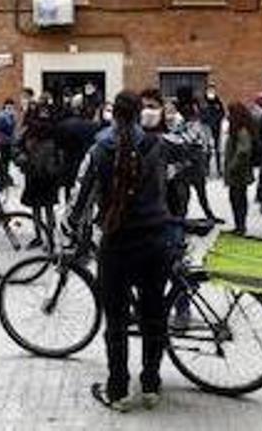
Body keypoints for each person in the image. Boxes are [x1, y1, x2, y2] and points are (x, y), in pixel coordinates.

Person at [67, 91, 173, 412]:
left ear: (113, 113)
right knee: (154, 316)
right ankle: (151, 385)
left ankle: (118, 391)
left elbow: (80, 200)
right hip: (156, 240)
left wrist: (72, 228)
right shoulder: (156, 145)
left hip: (118, 244)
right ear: (141, 113)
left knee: (116, 322)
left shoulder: (100, 149)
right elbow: (166, 186)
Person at [174, 87, 223, 224]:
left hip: (188, 157)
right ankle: (202, 215)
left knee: (188, 193)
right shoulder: (186, 115)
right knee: (195, 192)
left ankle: (185, 218)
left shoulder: (185, 113)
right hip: (191, 156)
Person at [19, 97, 61, 247]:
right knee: (48, 207)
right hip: (49, 174)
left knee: (36, 208)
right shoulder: (55, 128)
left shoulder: (31, 129)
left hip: (34, 173)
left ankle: (39, 236)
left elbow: (20, 145)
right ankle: (50, 238)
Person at [55, 100, 99, 202]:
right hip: (85, 158)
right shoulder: (93, 126)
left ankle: (68, 202)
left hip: (68, 159)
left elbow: (58, 145)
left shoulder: (63, 125)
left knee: (68, 185)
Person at [224, 102, 255, 235]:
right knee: (238, 199)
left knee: (237, 199)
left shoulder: (241, 130)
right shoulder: (239, 129)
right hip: (239, 171)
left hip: (238, 173)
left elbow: (244, 150)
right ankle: (239, 225)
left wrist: (232, 166)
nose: (228, 116)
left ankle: (240, 226)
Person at [200, 83, 226, 177]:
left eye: (213, 90)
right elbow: (201, 115)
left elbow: (222, 113)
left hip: (216, 128)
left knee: (218, 149)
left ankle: (219, 170)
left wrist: (217, 120)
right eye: (209, 90)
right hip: (206, 128)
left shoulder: (218, 101)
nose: (211, 92)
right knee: (207, 150)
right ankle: (206, 169)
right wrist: (207, 121)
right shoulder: (203, 102)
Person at [0, 98, 18, 186]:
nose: (10, 106)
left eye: (11, 105)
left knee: (7, 162)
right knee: (3, 161)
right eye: (8, 105)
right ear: (5, 105)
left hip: (9, 142)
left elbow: (14, 129)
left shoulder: (12, 115)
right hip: (2, 141)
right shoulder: (1, 115)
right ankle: (4, 179)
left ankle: (5, 178)